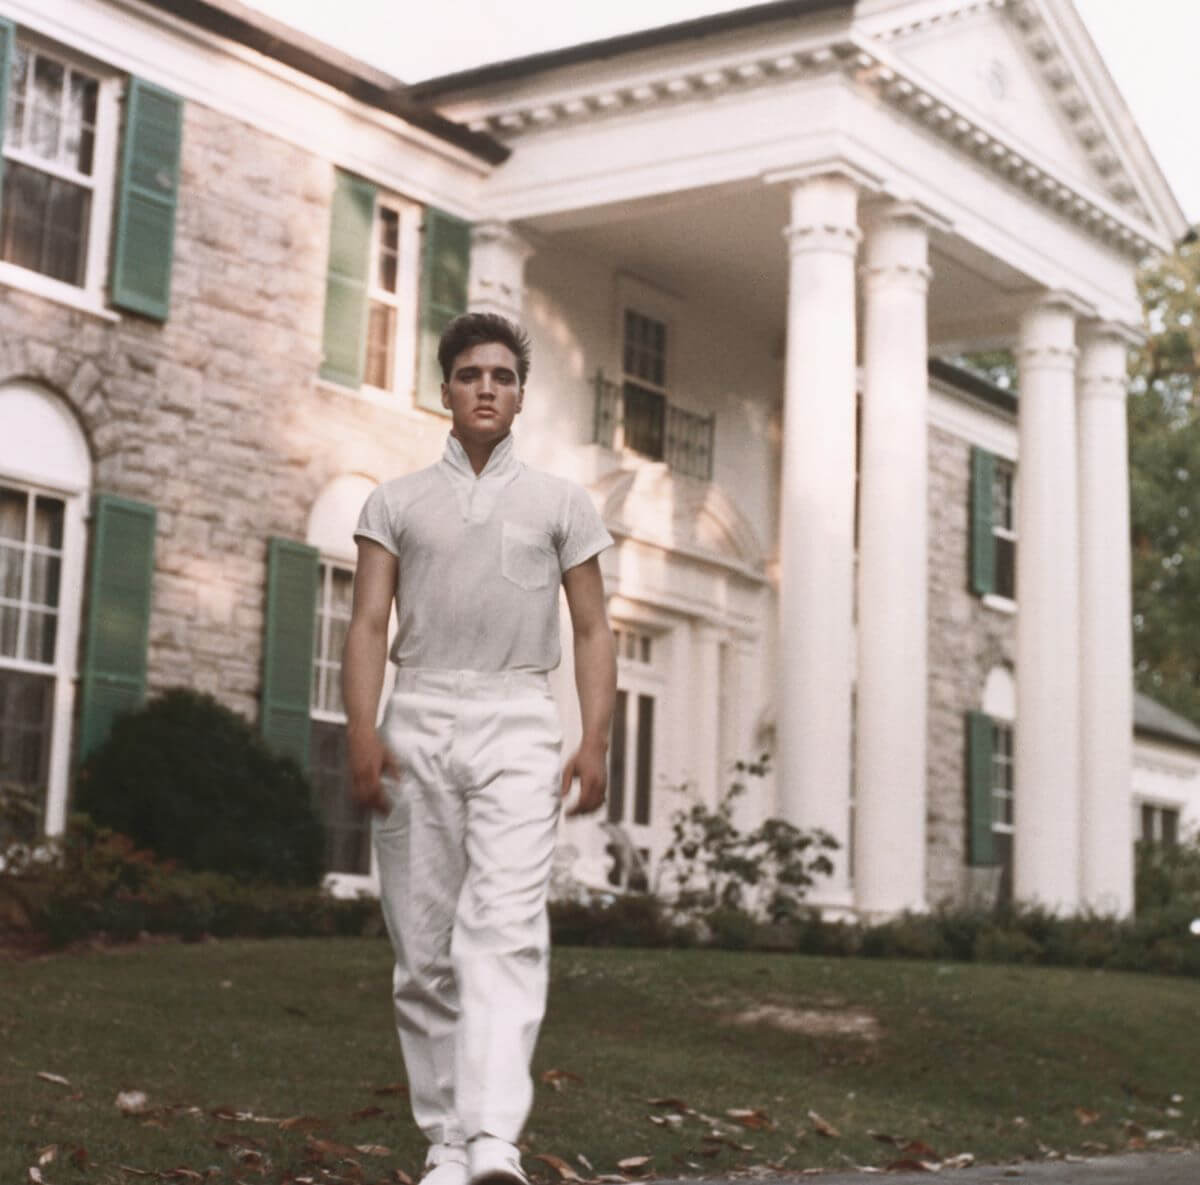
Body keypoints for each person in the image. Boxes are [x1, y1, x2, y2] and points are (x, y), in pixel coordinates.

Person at [342, 311, 617, 1185]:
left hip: (518, 719)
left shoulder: (563, 504)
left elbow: (593, 625)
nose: (487, 387)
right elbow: (365, 621)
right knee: (423, 947)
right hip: (418, 712)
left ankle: (494, 1138)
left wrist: (594, 740)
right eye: (469, 374)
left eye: (502, 374)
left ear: (522, 393)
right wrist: (361, 729)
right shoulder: (395, 500)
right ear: (447, 390)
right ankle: (447, 1144)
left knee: (502, 930)